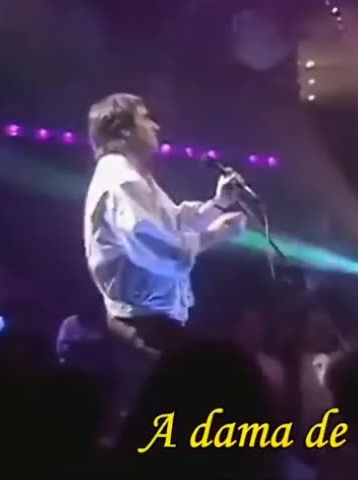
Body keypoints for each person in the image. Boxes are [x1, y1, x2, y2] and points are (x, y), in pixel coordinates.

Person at [84, 93, 247, 420]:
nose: (155, 125)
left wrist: (217, 204)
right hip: (142, 327)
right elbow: (162, 251)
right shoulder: (122, 181)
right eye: (145, 118)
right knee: (166, 420)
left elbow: (171, 223)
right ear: (124, 130)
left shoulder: (132, 177)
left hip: (151, 323)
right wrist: (216, 234)